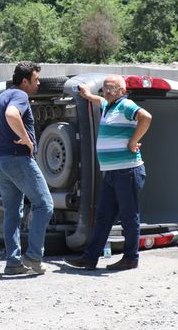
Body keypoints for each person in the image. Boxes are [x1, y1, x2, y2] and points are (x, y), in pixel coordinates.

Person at [65, 75, 152, 271]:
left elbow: (146, 117)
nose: (107, 91)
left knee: (129, 216)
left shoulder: (126, 105)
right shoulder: (108, 105)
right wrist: (87, 94)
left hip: (127, 170)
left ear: (122, 90)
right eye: (105, 88)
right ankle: (90, 258)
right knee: (103, 216)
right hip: (112, 173)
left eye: (111, 88)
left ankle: (131, 258)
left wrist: (132, 141)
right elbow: (100, 100)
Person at [0, 61, 54, 275]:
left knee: (12, 214)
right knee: (44, 204)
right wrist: (27, 140)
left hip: (1, 162)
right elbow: (11, 115)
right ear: (24, 81)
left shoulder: (0, 97)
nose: (38, 84)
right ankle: (34, 257)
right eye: (35, 80)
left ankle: (13, 263)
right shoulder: (20, 96)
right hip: (18, 159)